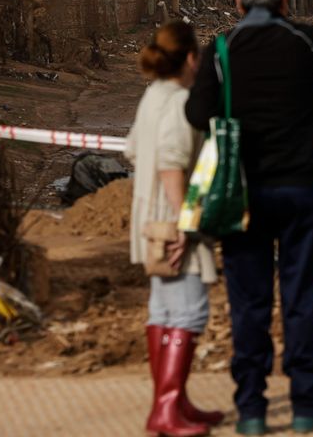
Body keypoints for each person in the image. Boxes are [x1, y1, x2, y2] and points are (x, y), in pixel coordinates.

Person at [185, 0, 313, 436]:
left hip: (242, 196)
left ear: (238, 1)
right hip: (300, 190)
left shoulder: (222, 51)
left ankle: (251, 410)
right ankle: (308, 405)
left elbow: (195, 112)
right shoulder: (303, 41)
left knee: (248, 302)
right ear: (285, 1)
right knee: (300, 297)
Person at [126, 22, 221, 437]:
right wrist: (186, 223)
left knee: (163, 309)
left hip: (149, 216)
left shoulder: (152, 96)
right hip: (173, 218)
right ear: (189, 59)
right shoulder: (182, 101)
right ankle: (165, 410)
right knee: (189, 310)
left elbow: (132, 150)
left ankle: (173, 402)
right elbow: (170, 161)